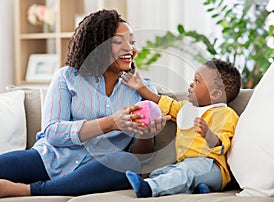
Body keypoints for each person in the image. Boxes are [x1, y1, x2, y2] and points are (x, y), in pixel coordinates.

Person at [0, 9, 170, 197]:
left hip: (98, 170)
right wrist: (111, 123)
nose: (129, 48)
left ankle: (29, 190)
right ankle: (59, 186)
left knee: (129, 163)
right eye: (118, 42)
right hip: (49, 159)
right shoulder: (67, 77)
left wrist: (145, 136)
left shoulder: (143, 88)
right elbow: (53, 132)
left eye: (131, 41)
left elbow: (141, 154)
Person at [122, 59, 242, 197]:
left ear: (215, 94)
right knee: (159, 173)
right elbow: (165, 104)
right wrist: (140, 88)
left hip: (212, 168)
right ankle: (201, 188)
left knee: (185, 172)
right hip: (186, 165)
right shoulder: (185, 108)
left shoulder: (224, 114)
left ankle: (149, 188)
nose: (191, 84)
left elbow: (222, 145)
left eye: (197, 81)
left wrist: (208, 134)